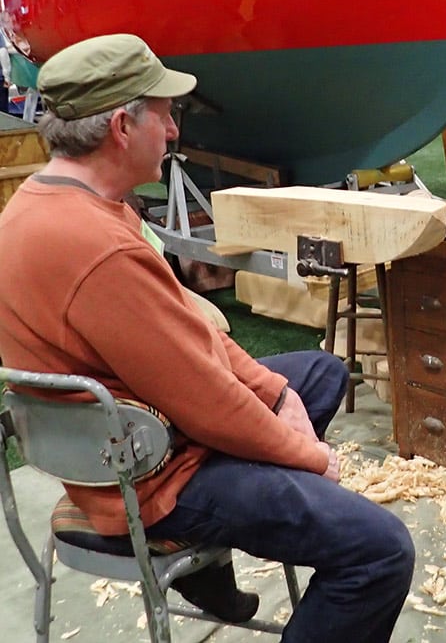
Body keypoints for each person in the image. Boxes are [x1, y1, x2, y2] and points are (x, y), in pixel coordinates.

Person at [0, 34, 415, 642]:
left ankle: (213, 563)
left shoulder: (51, 205)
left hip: (128, 437)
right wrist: (309, 456)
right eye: (165, 115)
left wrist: (275, 393)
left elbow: (192, 332)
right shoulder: (101, 249)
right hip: (148, 479)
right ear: (121, 125)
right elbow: (209, 404)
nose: (172, 132)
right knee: (379, 550)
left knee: (318, 375)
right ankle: (231, 527)